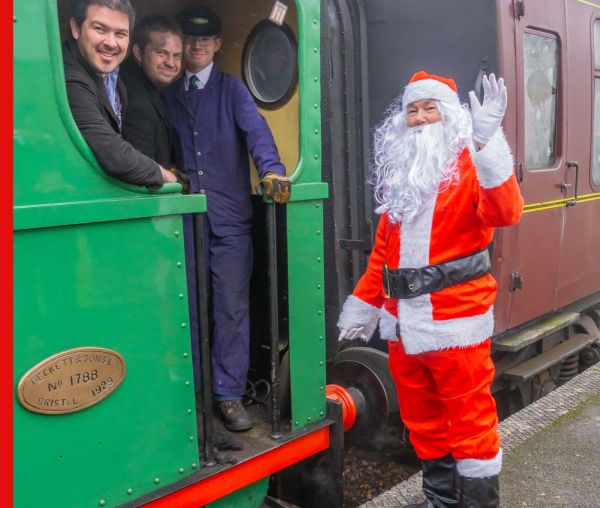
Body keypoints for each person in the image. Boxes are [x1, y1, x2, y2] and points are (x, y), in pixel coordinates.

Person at [337, 71, 523, 507]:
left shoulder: (471, 164)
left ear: (449, 114)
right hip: (403, 325)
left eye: (429, 108)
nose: (420, 119)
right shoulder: (402, 180)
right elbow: (382, 257)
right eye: (412, 110)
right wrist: (362, 309)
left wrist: (486, 143)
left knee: (470, 421)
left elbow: (507, 211)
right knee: (423, 421)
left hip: (456, 322)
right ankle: (440, 500)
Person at [163, 6, 292, 431]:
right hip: (183, 223)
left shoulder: (232, 90)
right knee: (188, 309)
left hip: (230, 223)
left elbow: (257, 133)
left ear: (217, 44)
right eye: (190, 39)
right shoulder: (168, 93)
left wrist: (272, 170)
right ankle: (193, 393)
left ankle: (228, 395)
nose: (197, 45)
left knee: (231, 311)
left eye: (205, 39)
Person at [63, 0, 177, 189]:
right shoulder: (70, 77)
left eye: (120, 34)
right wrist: (164, 176)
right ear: (76, 28)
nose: (111, 42)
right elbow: (109, 149)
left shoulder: (112, 78)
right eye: (100, 29)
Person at [120, 14, 187, 192]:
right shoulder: (135, 98)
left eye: (177, 56)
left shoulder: (147, 86)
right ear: (138, 53)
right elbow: (140, 176)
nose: (171, 63)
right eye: (161, 53)